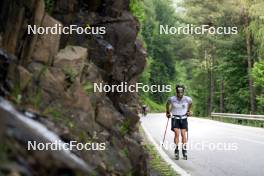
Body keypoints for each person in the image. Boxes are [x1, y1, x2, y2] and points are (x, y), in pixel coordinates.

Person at [166, 85, 192, 160]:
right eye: (178, 92)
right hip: (175, 118)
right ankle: (176, 150)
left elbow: (190, 104)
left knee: (183, 134)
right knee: (177, 134)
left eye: (181, 92)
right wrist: (167, 112)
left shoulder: (187, 99)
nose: (180, 94)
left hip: (183, 118)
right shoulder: (172, 99)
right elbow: (167, 104)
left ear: (183, 92)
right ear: (176, 92)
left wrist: (188, 111)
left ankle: (184, 151)